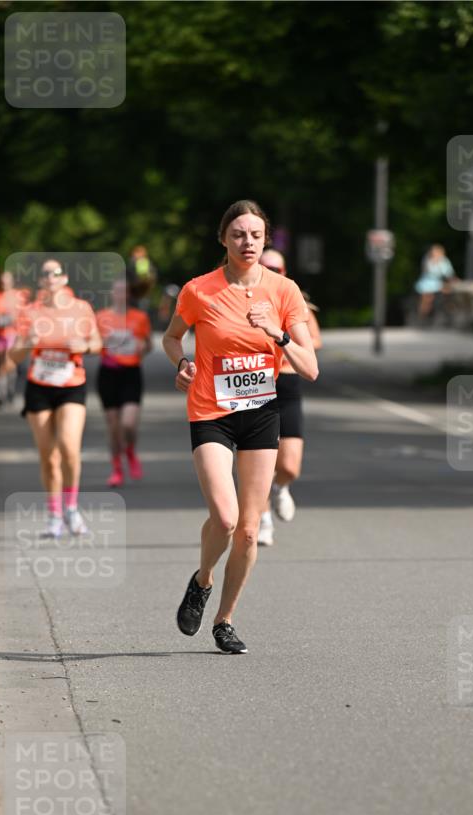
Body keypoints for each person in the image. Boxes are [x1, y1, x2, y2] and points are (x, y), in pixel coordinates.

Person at [162, 200, 318, 654]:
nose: (246, 242)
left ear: (265, 238)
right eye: (237, 234)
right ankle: (203, 579)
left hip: (261, 414)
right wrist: (185, 362)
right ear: (223, 240)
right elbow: (171, 338)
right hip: (211, 412)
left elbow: (310, 368)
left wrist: (278, 333)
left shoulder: (284, 291)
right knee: (226, 519)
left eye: (254, 234)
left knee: (250, 529)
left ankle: (225, 620)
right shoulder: (199, 290)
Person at [9, 259, 101, 537]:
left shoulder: (80, 308)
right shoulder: (31, 312)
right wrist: (27, 342)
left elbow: (97, 343)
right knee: (48, 457)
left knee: (69, 448)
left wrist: (83, 345)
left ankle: (71, 508)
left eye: (56, 272)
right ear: (41, 281)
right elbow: (12, 356)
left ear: (64, 280)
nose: (51, 277)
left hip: (71, 384)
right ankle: (54, 514)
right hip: (39, 386)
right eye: (45, 273)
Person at [256, 248, 322, 547]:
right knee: (257, 462)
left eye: (277, 268)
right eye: (266, 267)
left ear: (284, 271)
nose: (272, 272)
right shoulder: (247, 302)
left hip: (289, 383)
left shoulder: (295, 302)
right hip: (256, 385)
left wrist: (285, 339)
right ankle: (263, 519)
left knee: (289, 465)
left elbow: (315, 341)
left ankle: (280, 488)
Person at [96, 278, 152, 486]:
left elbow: (148, 345)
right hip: (108, 374)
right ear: (111, 293)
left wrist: (142, 348)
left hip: (131, 374)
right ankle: (117, 468)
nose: (120, 294)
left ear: (129, 295)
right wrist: (101, 343)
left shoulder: (140, 317)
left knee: (128, 424)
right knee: (113, 426)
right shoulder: (101, 317)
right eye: (117, 290)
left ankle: (130, 451)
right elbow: (91, 345)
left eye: (124, 291)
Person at [0, 270, 22, 407]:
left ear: (12, 281)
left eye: (7, 280)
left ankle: (4, 393)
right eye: (2, 280)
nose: (4, 283)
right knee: (0, 364)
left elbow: (20, 316)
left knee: (7, 363)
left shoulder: (17, 296)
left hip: (12, 334)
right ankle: (5, 391)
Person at [414, 244, 455, 321]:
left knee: (450, 292)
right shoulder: (427, 260)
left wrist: (452, 281)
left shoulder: (444, 261)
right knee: (427, 297)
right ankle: (423, 315)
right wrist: (435, 262)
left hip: (438, 283)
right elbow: (428, 271)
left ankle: (448, 311)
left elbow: (449, 274)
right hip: (427, 282)